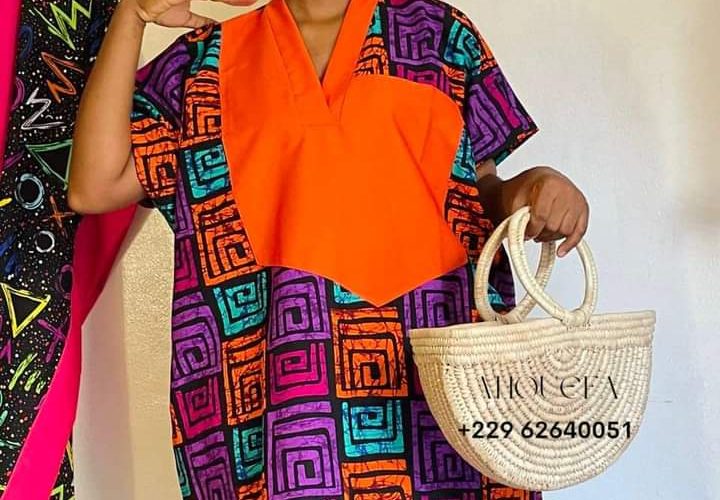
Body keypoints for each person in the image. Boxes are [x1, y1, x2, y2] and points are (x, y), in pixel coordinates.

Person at [68, 0, 588, 498]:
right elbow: (94, 186)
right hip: (279, 416)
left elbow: (480, 190)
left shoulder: (439, 37)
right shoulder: (201, 66)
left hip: (439, 404)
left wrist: (534, 188)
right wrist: (133, 14)